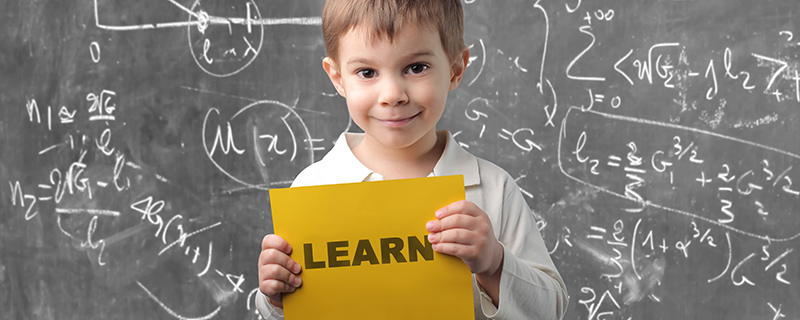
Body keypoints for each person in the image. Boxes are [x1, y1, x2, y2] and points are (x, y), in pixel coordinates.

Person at [256, 0, 569, 318]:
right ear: (338, 78)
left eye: (416, 67)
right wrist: (276, 299)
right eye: (367, 72)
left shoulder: (494, 189)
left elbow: (552, 310)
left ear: (455, 69)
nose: (392, 94)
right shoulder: (314, 188)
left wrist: (494, 264)